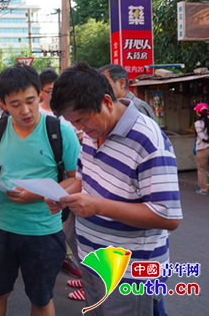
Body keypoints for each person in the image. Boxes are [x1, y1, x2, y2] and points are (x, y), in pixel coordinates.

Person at [48, 61, 182, 316]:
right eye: (73, 122)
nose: (80, 129)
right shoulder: (92, 129)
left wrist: (98, 206)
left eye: (82, 120)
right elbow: (84, 178)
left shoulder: (147, 139)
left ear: (107, 102)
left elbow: (168, 216)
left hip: (129, 273)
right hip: (92, 259)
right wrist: (63, 195)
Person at [0, 65, 80, 316]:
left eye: (30, 101)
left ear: (40, 95)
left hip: (44, 232)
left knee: (41, 299)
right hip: (1, 228)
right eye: (15, 104)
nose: (25, 111)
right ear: (3, 103)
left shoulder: (59, 132)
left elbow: (76, 179)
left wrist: (35, 195)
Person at [38, 69, 83, 296]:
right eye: (51, 90)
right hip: (49, 184)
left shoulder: (65, 116)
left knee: (71, 228)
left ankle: (77, 267)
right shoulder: (35, 115)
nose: (55, 94)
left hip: (70, 177)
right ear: (39, 92)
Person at [193, 103, 209, 195]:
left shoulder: (198, 123)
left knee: (202, 170)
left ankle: (204, 189)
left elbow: (202, 136)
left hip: (202, 149)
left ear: (198, 113)